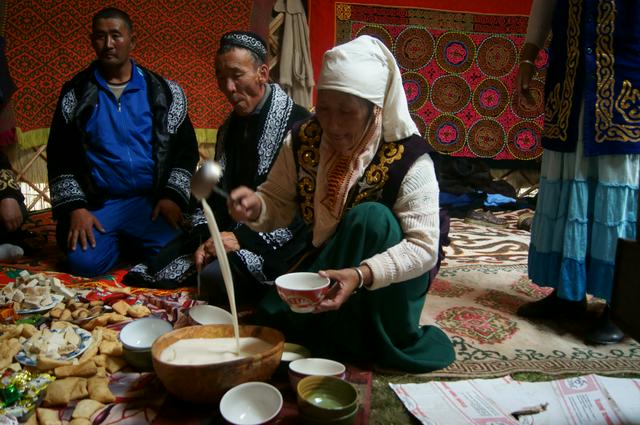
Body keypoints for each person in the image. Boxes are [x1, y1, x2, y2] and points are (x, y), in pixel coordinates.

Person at [228, 35, 455, 373]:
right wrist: (256, 208)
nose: (332, 125)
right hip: (329, 262)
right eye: (326, 109)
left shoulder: (410, 158)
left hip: (387, 283)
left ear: (374, 109)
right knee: (255, 301)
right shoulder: (304, 138)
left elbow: (423, 249)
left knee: (372, 219)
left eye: (346, 112)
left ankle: (361, 329)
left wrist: (361, 274)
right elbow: (276, 200)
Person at [124, 31, 310, 304]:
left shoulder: (301, 127)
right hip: (232, 227)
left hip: (281, 237)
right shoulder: (230, 126)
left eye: (236, 75)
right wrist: (204, 228)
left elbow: (304, 209)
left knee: (213, 278)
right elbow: (213, 177)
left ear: (262, 73)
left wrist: (240, 238)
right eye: (221, 78)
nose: (228, 87)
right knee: (166, 257)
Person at [516, 0, 639, 344]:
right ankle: (568, 296)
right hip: (569, 81)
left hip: (626, 82)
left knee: (618, 197)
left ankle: (621, 309)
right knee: (567, 183)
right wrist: (529, 56)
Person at [47, 7, 199, 277]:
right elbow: (60, 155)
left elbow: (186, 152)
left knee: (180, 255)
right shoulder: (76, 93)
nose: (108, 44)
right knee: (84, 264)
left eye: (116, 36)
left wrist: (171, 196)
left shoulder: (164, 92)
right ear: (92, 40)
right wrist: (76, 208)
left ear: (132, 40)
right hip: (102, 203)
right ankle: (124, 241)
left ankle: (128, 241)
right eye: (100, 37)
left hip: (151, 202)